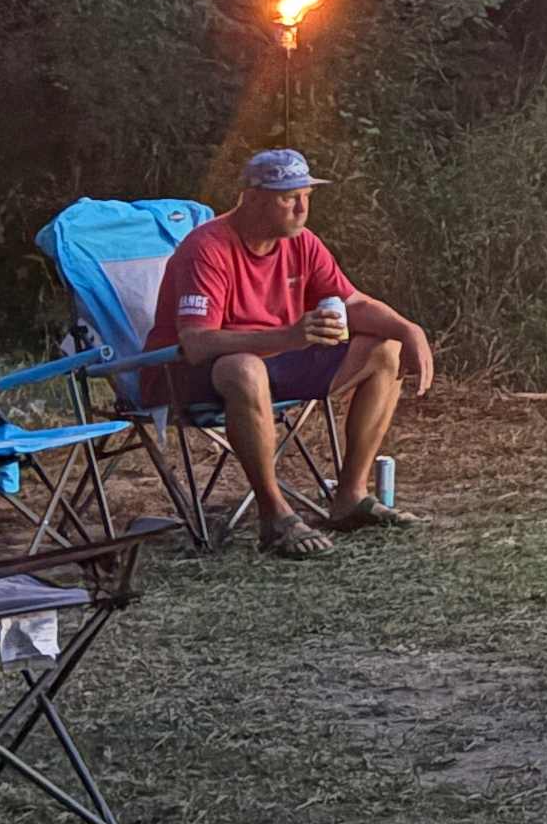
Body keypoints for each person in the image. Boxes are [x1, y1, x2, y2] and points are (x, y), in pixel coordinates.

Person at [142, 147, 434, 558]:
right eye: (288, 197)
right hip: (185, 378)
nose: (301, 208)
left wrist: (409, 329)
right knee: (243, 369)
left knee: (384, 349)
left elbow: (351, 302)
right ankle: (273, 514)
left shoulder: (302, 243)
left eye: (306, 196)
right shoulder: (207, 248)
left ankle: (350, 496)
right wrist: (289, 336)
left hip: (273, 361)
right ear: (254, 197)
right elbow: (197, 342)